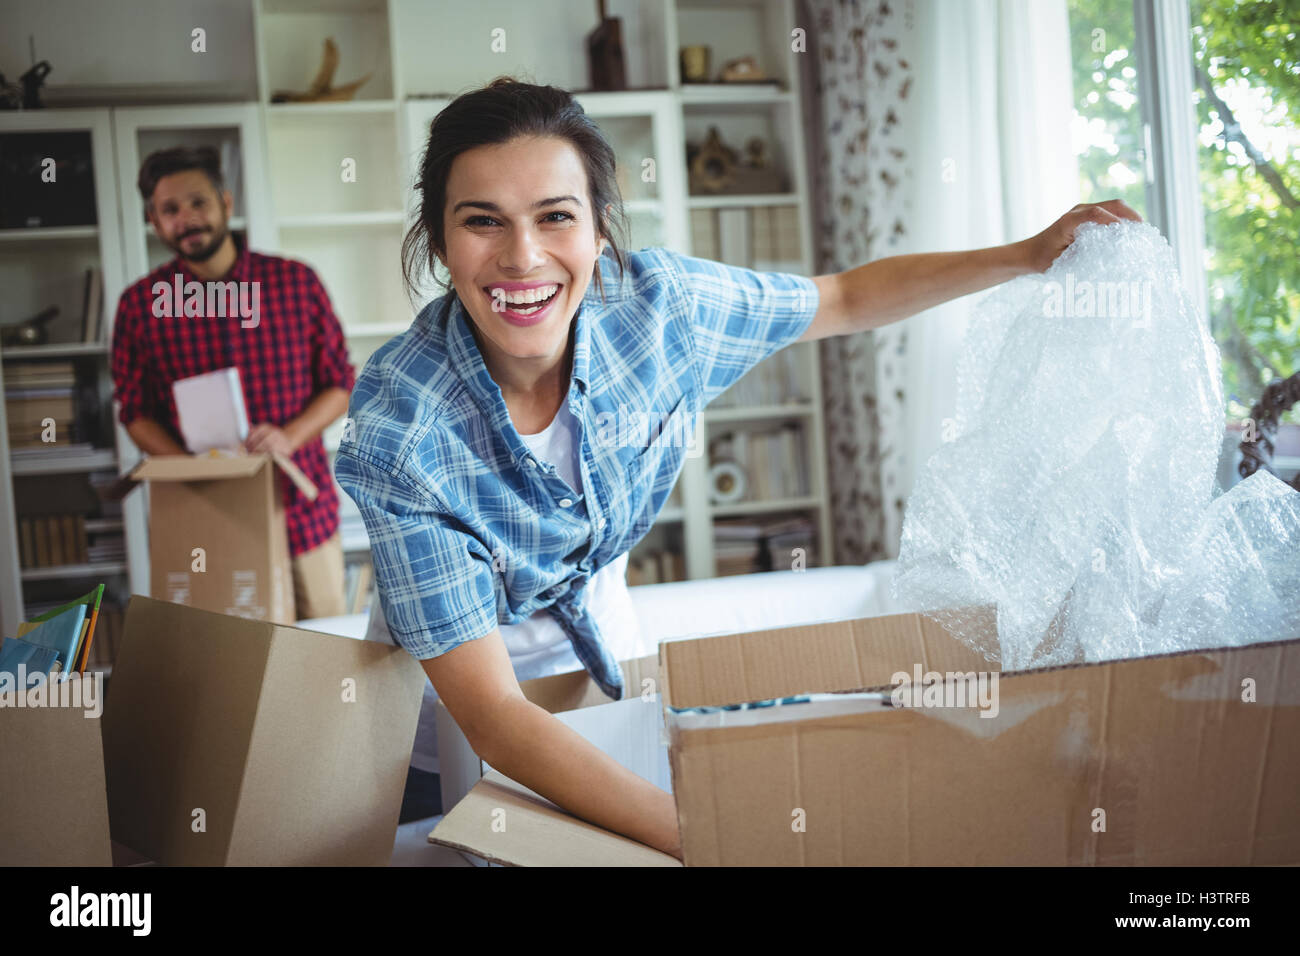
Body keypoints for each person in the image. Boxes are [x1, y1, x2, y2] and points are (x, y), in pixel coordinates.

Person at [334, 77, 1141, 859]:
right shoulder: (402, 432)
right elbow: (497, 719)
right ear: (439, 242)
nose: (523, 257)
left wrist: (1028, 254)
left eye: (556, 217)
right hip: (461, 722)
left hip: (605, 669)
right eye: (483, 222)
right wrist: (717, 831)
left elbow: (844, 300)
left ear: (599, 229)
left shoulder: (663, 312)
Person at [110, 145, 356, 621]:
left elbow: (340, 384)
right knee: (233, 666)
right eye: (170, 210)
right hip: (207, 523)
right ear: (155, 222)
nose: (186, 219)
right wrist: (188, 469)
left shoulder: (296, 282)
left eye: (197, 202)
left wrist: (288, 436)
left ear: (225, 202)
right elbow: (134, 411)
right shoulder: (140, 306)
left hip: (303, 514)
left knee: (325, 654)